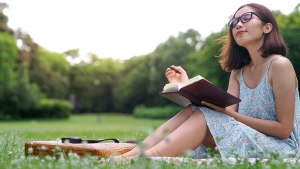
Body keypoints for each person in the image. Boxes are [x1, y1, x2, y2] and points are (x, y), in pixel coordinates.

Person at [113, 3, 300, 161]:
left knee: (204, 115)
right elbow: (227, 115)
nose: (237, 25)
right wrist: (187, 87)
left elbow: (283, 130)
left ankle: (138, 160)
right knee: (194, 110)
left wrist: (227, 113)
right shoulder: (238, 72)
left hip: (281, 147)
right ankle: (132, 153)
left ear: (267, 27)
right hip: (247, 137)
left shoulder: (280, 65)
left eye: (246, 18)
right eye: (234, 22)